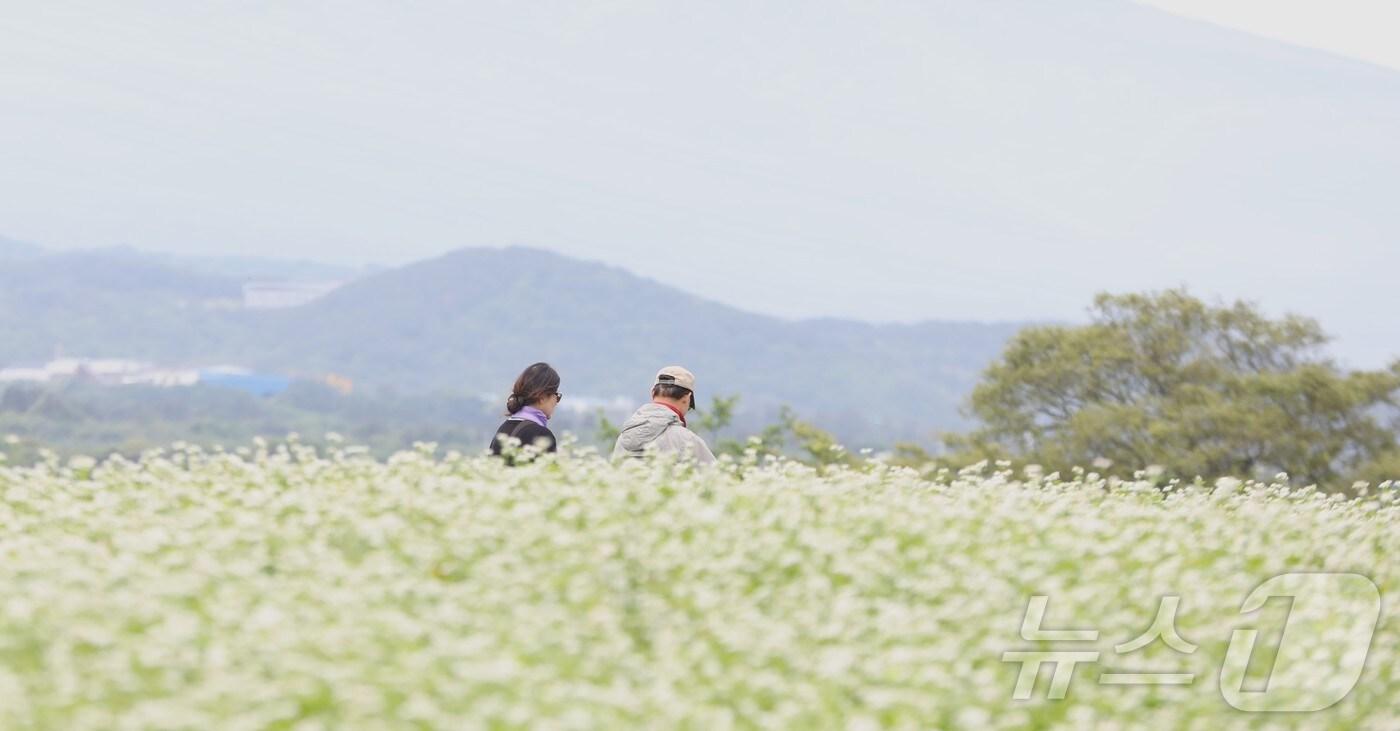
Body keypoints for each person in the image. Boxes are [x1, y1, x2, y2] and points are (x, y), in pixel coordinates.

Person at [612, 365, 716, 465]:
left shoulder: (624, 437)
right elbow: (714, 476)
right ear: (687, 398)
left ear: (652, 393)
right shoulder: (687, 441)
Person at [490, 362, 562, 460]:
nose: (556, 402)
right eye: (557, 396)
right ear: (542, 396)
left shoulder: (503, 429)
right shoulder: (541, 436)